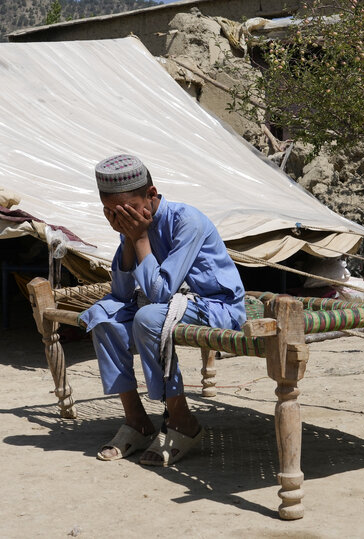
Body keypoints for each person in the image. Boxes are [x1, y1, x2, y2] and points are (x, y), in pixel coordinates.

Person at [80, 154, 245, 466]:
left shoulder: (187, 221)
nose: (121, 219)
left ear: (151, 194)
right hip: (170, 305)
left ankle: (182, 421)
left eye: (126, 212)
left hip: (216, 306)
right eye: (111, 214)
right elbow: (122, 292)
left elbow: (159, 293)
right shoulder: (133, 225)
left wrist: (139, 237)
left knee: (148, 318)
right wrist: (130, 238)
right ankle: (137, 422)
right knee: (102, 315)